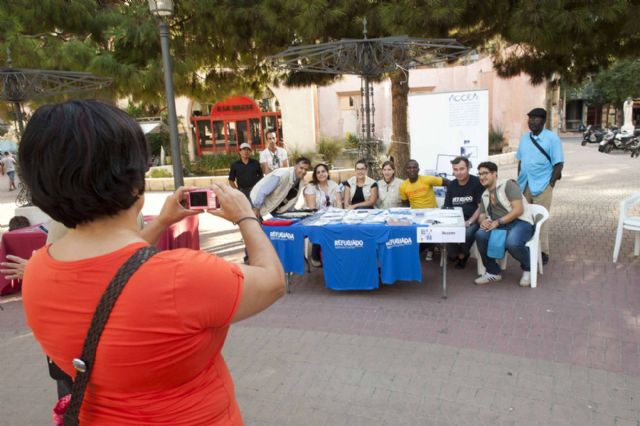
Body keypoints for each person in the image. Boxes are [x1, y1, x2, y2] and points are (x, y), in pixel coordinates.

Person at [18, 100, 285, 425]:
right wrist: (246, 215)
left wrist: (160, 223)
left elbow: (114, 273)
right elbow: (271, 280)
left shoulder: (36, 274)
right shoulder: (181, 276)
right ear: (134, 182)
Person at [474, 161, 535, 287]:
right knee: (480, 235)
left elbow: (518, 210)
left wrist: (498, 222)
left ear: (494, 173)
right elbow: (481, 215)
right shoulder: (485, 194)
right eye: (479, 174)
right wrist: (483, 221)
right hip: (501, 226)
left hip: (521, 222)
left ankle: (528, 269)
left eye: (485, 173)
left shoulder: (508, 184)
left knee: (512, 243)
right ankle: (493, 272)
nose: (481, 177)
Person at [517, 107, 564, 265]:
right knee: (525, 217)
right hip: (524, 184)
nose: (532, 122)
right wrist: (518, 180)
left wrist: (551, 183)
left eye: (536, 119)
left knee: (540, 219)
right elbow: (520, 161)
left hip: (542, 184)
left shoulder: (552, 139)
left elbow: (558, 164)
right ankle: (527, 247)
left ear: (543, 121)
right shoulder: (524, 138)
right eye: (530, 119)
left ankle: (543, 252)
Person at [400, 159, 449, 261]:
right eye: (409, 168)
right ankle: (425, 248)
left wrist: (448, 200)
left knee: (430, 231)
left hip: (432, 214)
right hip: (416, 215)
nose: (412, 170)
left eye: (414, 167)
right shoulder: (403, 186)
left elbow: (448, 182)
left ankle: (431, 249)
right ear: (406, 170)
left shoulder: (427, 179)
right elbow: (405, 204)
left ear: (418, 169)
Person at [443, 156, 484, 269]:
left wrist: (469, 221)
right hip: (455, 219)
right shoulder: (452, 184)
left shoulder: (476, 182)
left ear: (468, 168)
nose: (458, 172)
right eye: (455, 170)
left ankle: (462, 255)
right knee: (442, 232)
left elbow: (481, 207)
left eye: (461, 169)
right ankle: (457, 254)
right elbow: (447, 206)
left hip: (473, 219)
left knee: (467, 233)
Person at [303, 163, 342, 267]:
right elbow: (312, 209)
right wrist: (323, 218)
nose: (321, 174)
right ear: (315, 175)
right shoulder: (311, 187)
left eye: (323, 171)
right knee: (320, 227)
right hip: (317, 217)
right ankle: (315, 255)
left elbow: (339, 203)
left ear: (327, 172)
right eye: (318, 172)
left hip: (333, 215)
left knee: (339, 227)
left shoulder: (334, 185)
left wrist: (338, 216)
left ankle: (334, 254)